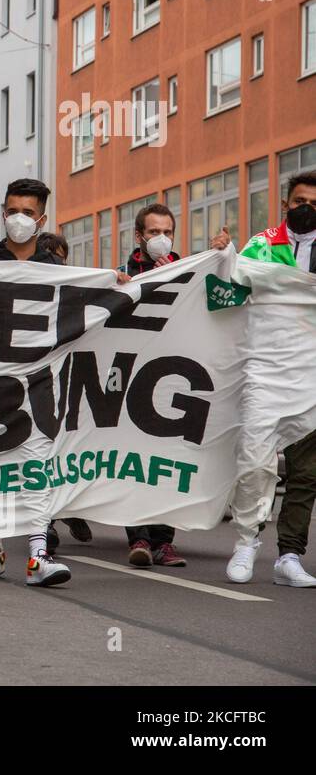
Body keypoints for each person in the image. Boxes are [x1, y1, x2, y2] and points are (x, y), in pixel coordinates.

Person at [0, 178, 73, 587]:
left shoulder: (56, 269)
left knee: (38, 465)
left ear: (41, 219)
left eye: (28, 212)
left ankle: (38, 555)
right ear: (2, 213)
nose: (19, 219)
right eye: (13, 211)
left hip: (39, 381)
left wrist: (117, 288)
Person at [119, 203, 230, 568]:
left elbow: (220, 301)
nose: (161, 239)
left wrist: (223, 257)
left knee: (166, 463)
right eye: (154, 232)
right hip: (133, 378)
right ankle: (138, 538)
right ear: (139, 237)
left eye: (167, 231)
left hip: (174, 380)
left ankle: (164, 542)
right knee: (132, 461)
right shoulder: (122, 275)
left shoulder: (190, 268)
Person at [228, 171, 316, 588]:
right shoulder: (261, 245)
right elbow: (223, 295)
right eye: (299, 201)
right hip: (264, 370)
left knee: (305, 472)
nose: (306, 208)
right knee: (254, 460)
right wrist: (220, 262)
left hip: (312, 375)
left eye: (314, 203)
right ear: (285, 205)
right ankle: (246, 542)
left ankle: (290, 556)